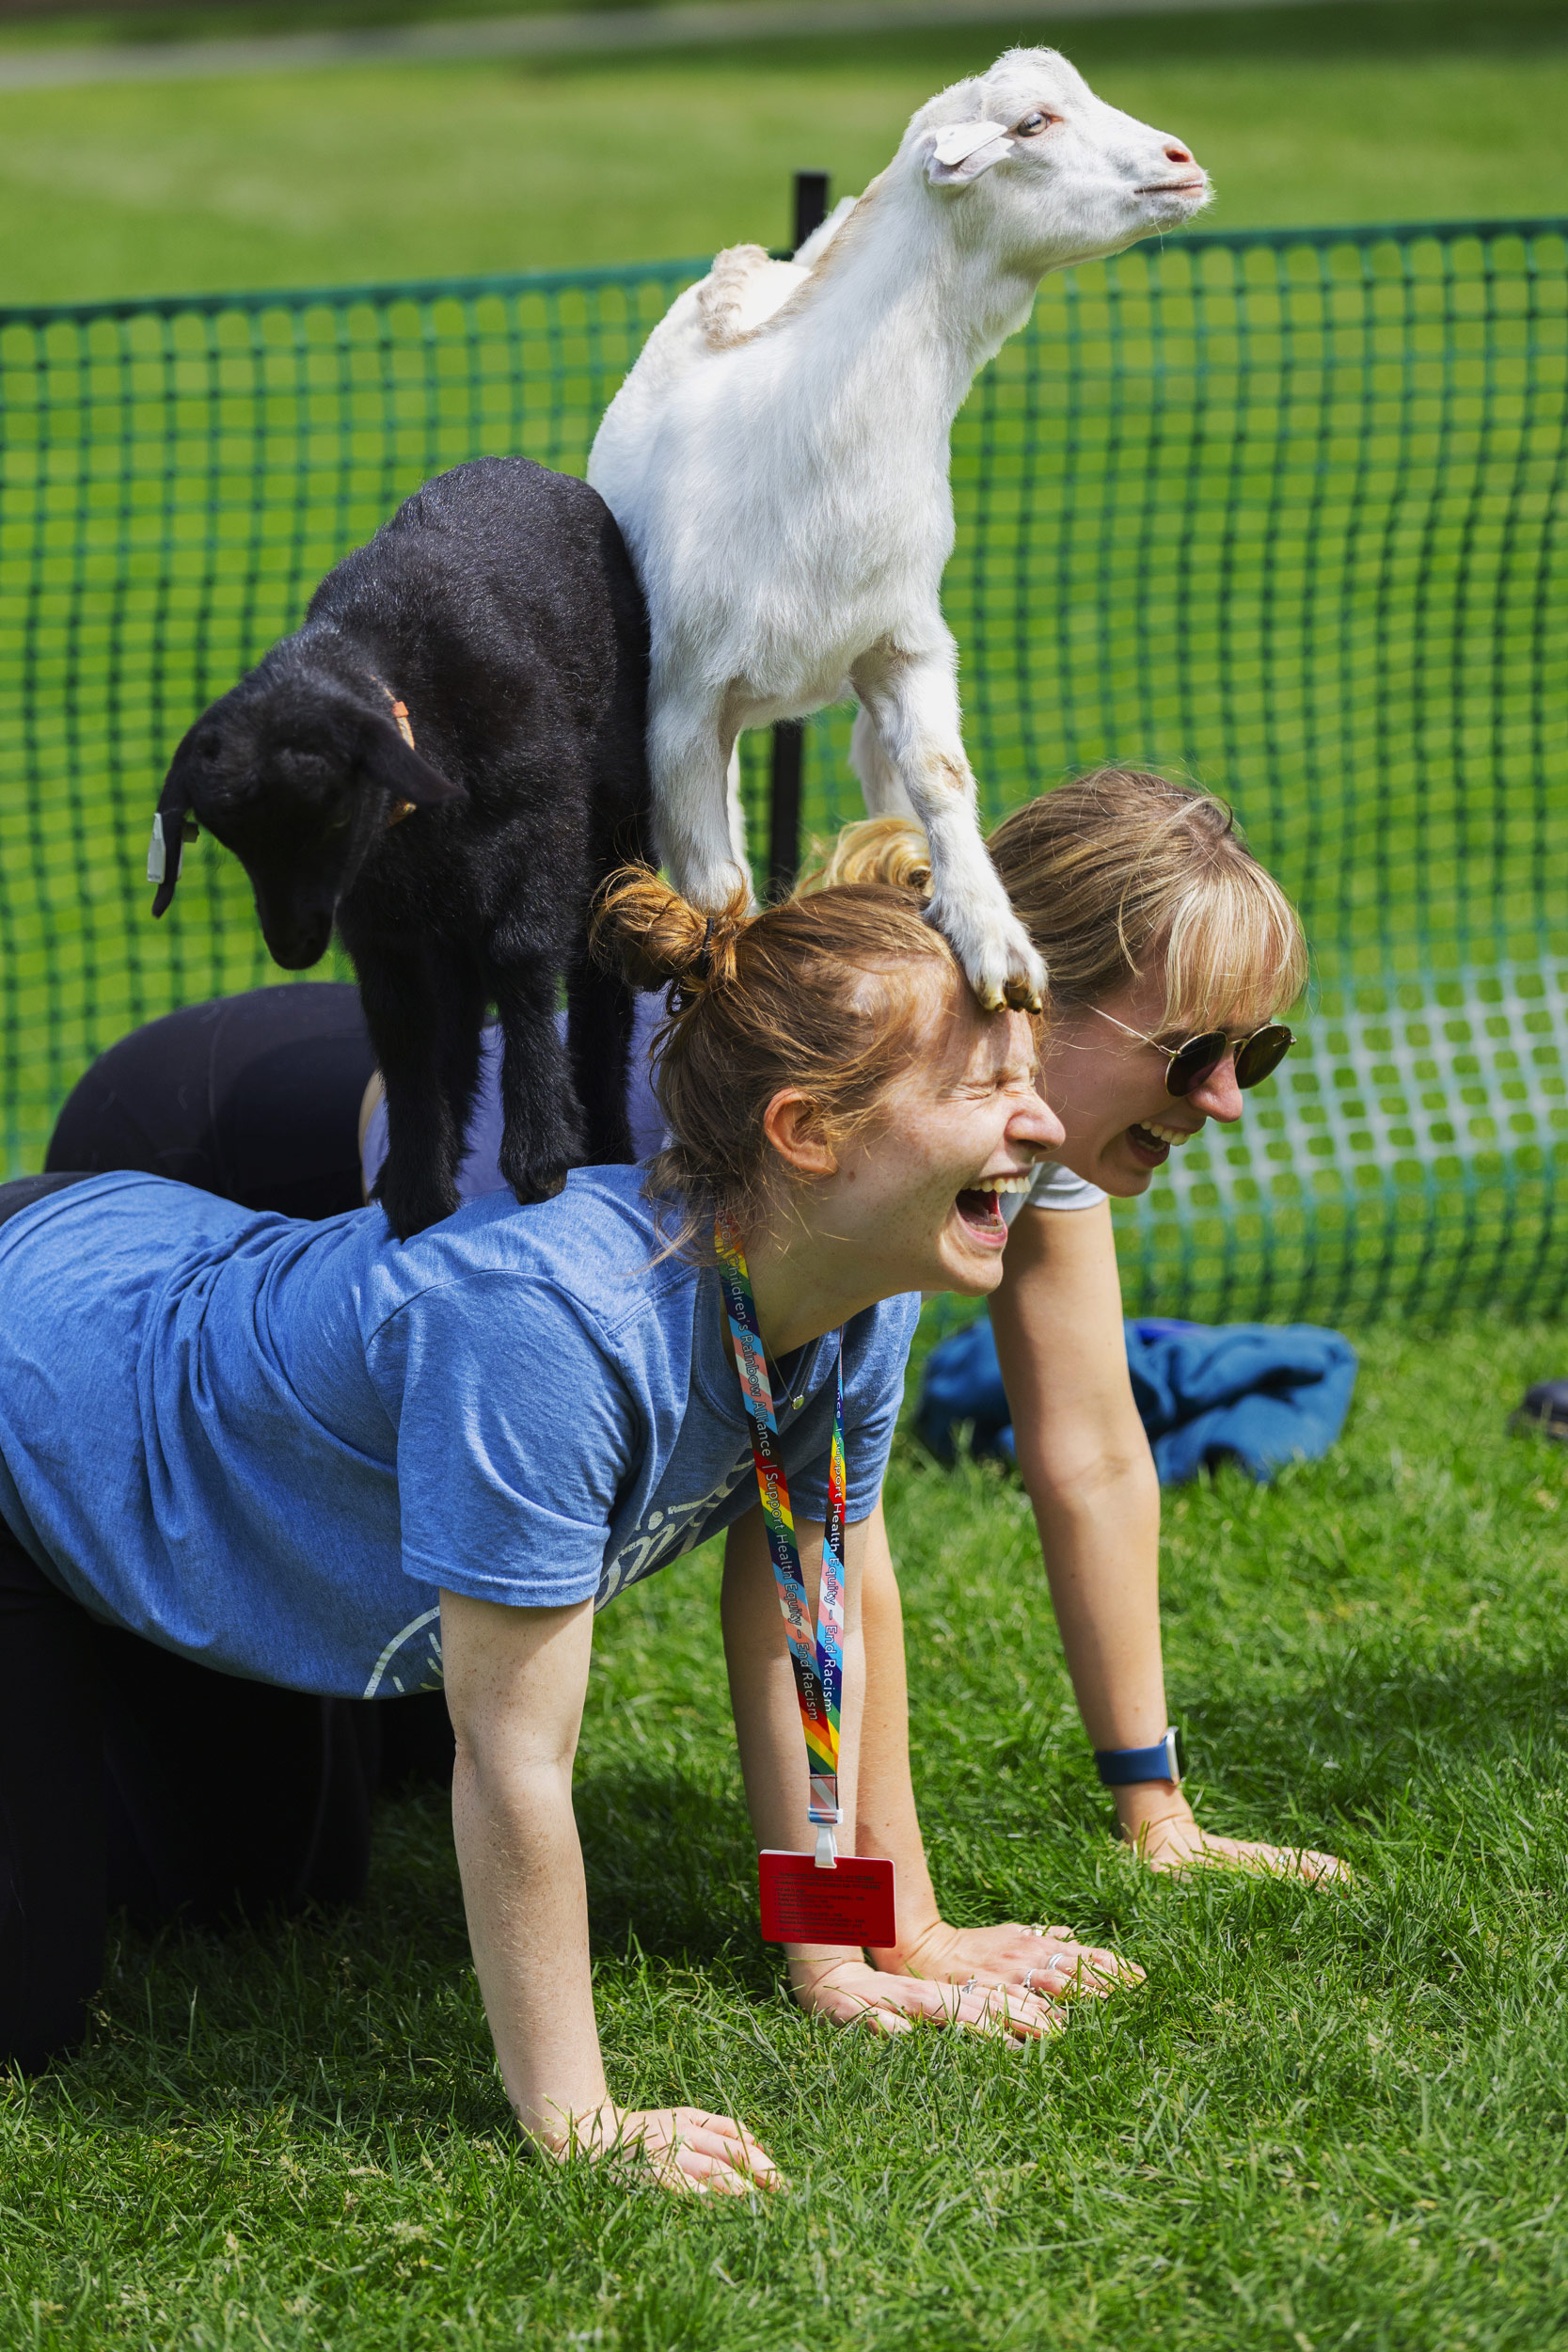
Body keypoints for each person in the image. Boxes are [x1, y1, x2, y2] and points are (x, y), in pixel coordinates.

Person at [2, 871, 1120, 2188]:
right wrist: (577, 2121)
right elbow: (513, 1762)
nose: (1042, 1123)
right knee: (32, 2010)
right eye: (985, 1087)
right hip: (37, 1381)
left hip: (160, 1422)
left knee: (271, 1894)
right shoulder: (552, 1327)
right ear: (808, 1130)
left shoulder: (863, 1294)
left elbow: (803, 1637)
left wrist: (843, 1947)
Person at [814, 771, 1345, 1888]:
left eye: (1252, 1053)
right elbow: (813, 1556)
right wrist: (900, 1925)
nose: (1225, 1101)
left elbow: (1096, 1453)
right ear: (1031, 988)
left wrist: (1158, 1814)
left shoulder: (1027, 1130)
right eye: (1191, 1052)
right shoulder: (839, 1136)